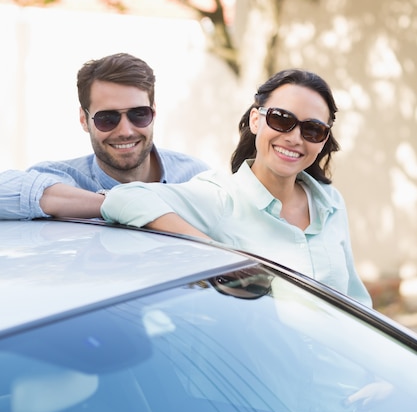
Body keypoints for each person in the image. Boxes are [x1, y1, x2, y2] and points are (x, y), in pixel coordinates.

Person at [101, 68, 372, 307]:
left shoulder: (330, 202)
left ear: (323, 140)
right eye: (281, 119)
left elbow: (355, 301)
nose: (294, 138)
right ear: (256, 120)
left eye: (312, 130)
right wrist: (216, 253)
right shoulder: (220, 197)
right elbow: (123, 199)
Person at [0, 52, 208, 221]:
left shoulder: (195, 178)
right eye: (107, 118)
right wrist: (118, 204)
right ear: (84, 119)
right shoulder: (62, 180)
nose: (126, 131)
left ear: (153, 112)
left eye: (139, 114)